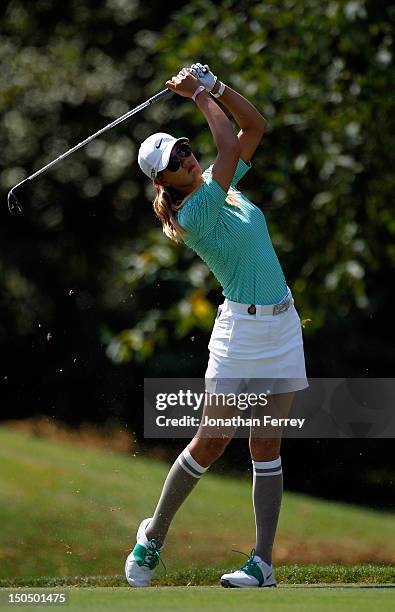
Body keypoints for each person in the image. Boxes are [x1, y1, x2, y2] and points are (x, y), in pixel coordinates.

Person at [125, 63, 308, 588]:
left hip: (282, 326)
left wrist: (221, 87)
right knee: (213, 440)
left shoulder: (219, 187)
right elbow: (228, 148)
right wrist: (201, 95)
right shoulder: (193, 212)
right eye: (175, 159)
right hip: (239, 335)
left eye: (184, 147)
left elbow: (254, 129)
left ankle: (263, 564)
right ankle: (152, 537)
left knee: (267, 445)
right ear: (164, 181)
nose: (186, 155)